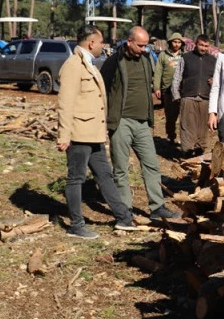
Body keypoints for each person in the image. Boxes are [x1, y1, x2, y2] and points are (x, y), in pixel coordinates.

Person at [56, 25, 134, 236]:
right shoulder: (73, 66)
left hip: (93, 133)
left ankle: (123, 217)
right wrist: (64, 135)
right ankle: (76, 225)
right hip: (78, 134)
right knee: (76, 178)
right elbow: (65, 103)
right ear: (91, 43)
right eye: (101, 42)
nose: (103, 46)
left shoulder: (88, 63)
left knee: (105, 176)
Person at [100, 25, 182, 221]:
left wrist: (150, 118)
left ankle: (157, 207)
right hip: (121, 122)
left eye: (146, 46)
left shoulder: (146, 59)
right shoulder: (114, 61)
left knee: (151, 165)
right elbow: (102, 89)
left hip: (143, 122)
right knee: (121, 168)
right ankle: (125, 211)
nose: (143, 49)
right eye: (140, 45)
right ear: (129, 42)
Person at [171, 33, 218, 154]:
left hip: (206, 99)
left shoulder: (213, 61)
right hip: (188, 97)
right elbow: (177, 78)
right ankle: (187, 153)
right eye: (201, 45)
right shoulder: (186, 58)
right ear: (196, 44)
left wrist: (214, 80)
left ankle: (199, 155)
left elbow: (219, 79)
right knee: (187, 127)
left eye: (206, 46)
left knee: (203, 130)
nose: (203, 48)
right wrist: (177, 96)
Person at [154, 32, 185, 144]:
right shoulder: (163, 55)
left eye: (179, 42)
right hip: (167, 90)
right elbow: (158, 72)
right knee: (170, 116)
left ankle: (185, 139)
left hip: (182, 91)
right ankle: (171, 136)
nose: (176, 44)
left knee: (184, 117)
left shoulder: (184, 56)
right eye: (174, 42)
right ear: (170, 42)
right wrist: (157, 87)